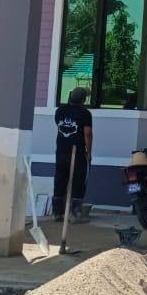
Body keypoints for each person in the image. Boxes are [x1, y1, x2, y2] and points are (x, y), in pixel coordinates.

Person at [53, 87, 94, 221]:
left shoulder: (60, 111)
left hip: (61, 150)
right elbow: (87, 133)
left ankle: (57, 213)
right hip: (77, 152)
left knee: (60, 179)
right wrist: (89, 152)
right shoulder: (85, 113)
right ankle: (75, 214)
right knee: (78, 181)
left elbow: (59, 125)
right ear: (83, 100)